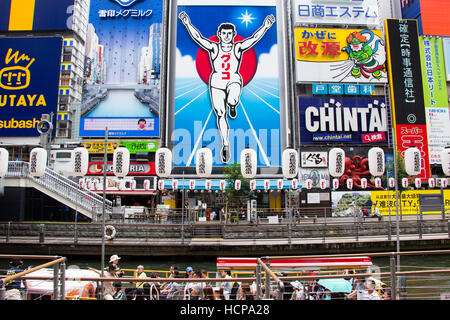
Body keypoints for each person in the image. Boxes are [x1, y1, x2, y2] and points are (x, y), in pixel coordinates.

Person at [179, 11, 275, 163]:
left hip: (233, 79)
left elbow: (253, 39)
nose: (226, 36)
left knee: (232, 99)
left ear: (233, 34)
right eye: (224, 33)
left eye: (229, 33)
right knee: (220, 113)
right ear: (219, 34)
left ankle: (233, 104)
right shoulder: (213, 48)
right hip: (216, 81)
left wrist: (265, 26)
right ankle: (225, 144)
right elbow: (198, 38)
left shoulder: (237, 48)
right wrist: (187, 23)